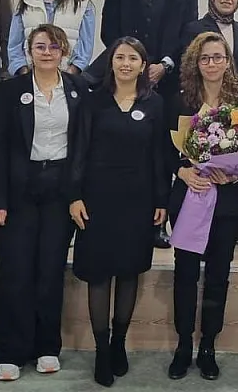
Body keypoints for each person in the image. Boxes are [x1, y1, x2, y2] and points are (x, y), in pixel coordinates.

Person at [68, 38, 168, 387]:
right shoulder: (92, 100)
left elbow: (159, 156)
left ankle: (118, 343)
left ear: (143, 65)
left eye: (133, 58)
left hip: (138, 201)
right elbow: (78, 150)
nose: (126, 63)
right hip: (97, 200)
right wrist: (74, 196)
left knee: (128, 272)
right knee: (99, 274)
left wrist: (162, 200)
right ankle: (101, 351)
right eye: (120, 57)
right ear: (110, 62)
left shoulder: (155, 103)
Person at [0, 24, 85, 381]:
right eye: (40, 46)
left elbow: (82, 146)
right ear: (29, 51)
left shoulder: (77, 90)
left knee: (50, 271)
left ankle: (47, 347)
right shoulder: (10, 91)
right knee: (15, 272)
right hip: (18, 191)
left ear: (64, 52)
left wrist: (76, 193)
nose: (47, 52)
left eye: (54, 47)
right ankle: (11, 352)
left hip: (59, 190)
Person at [166, 32, 238, 381]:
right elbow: (162, 149)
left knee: (218, 274)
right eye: (205, 58)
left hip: (226, 201)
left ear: (228, 62)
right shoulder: (180, 100)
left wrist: (234, 174)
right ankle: (183, 344)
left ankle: (208, 346)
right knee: (185, 273)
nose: (212, 63)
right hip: (189, 197)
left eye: (218, 57)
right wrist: (182, 170)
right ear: (195, 63)